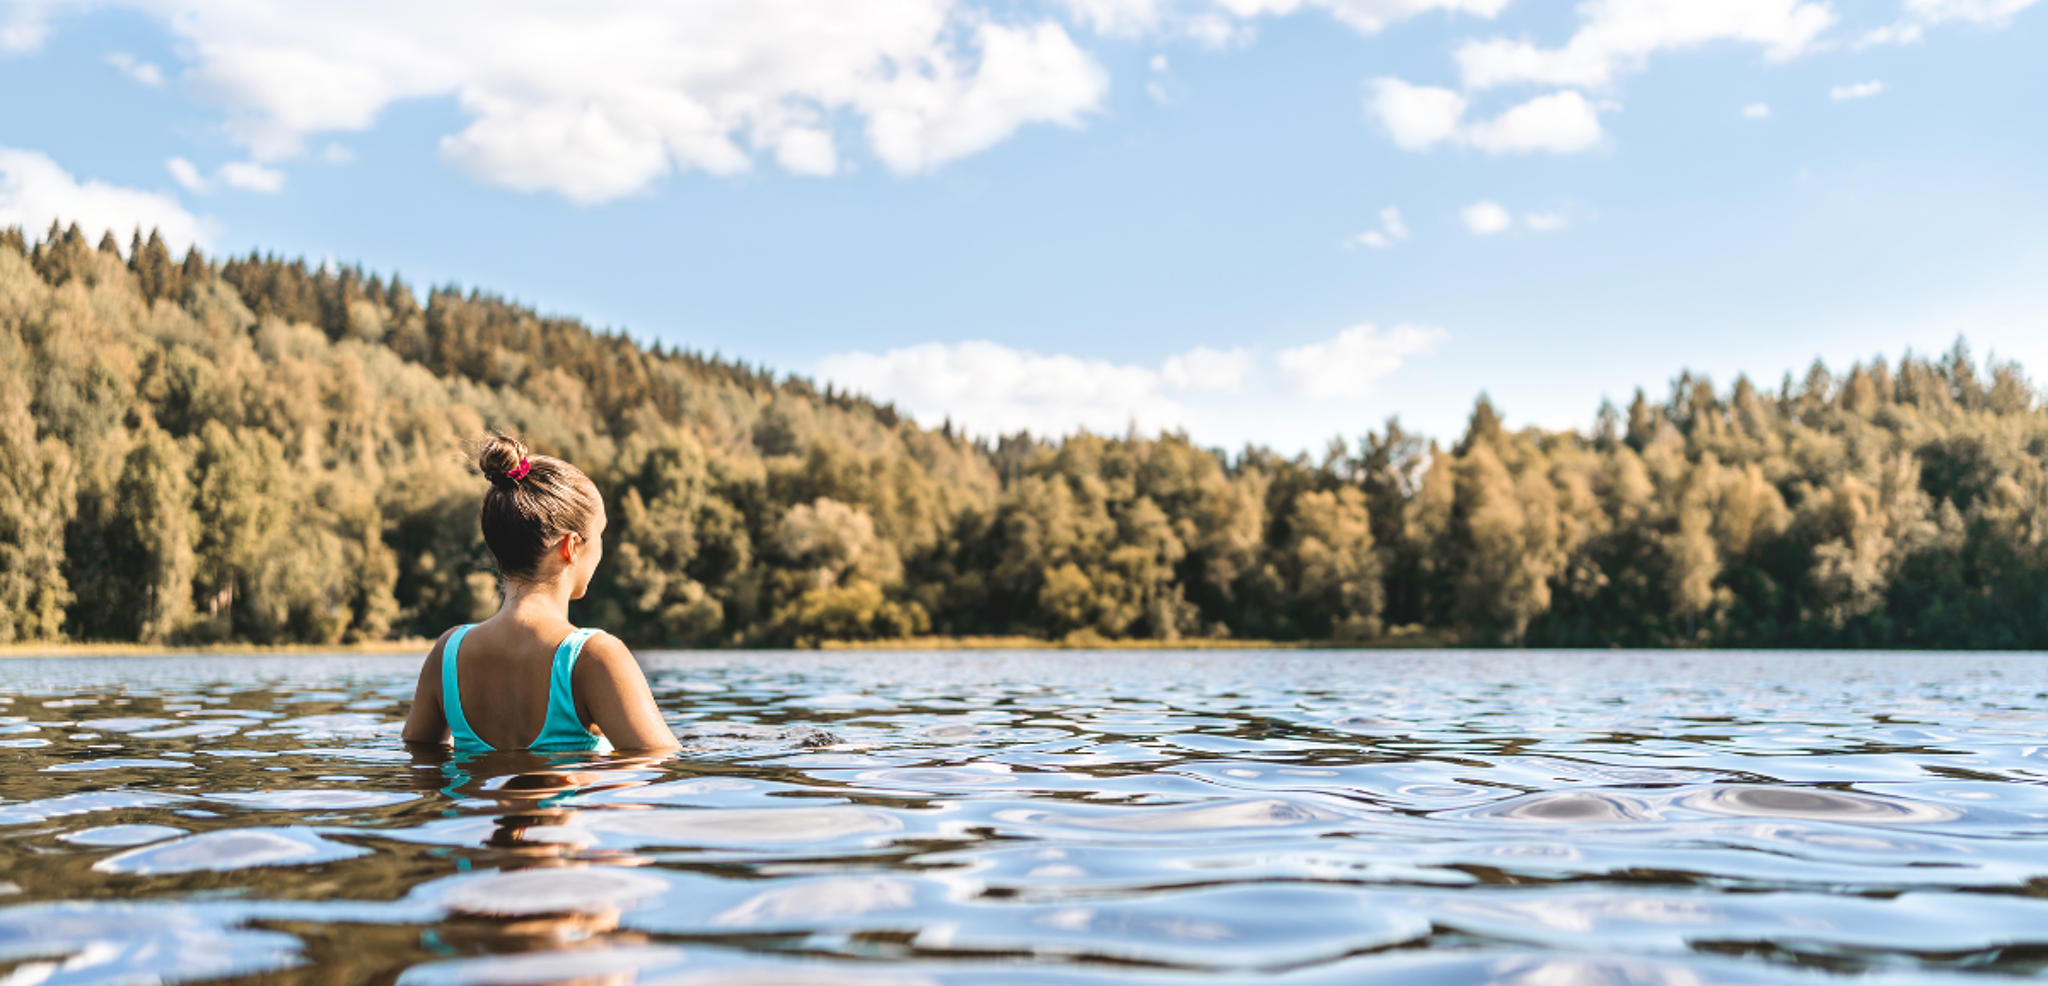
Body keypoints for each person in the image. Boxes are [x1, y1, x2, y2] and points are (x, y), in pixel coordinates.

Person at [403, 433, 679, 752]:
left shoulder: (447, 654)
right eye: (600, 535)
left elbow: (419, 759)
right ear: (571, 547)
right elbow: (658, 766)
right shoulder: (595, 657)